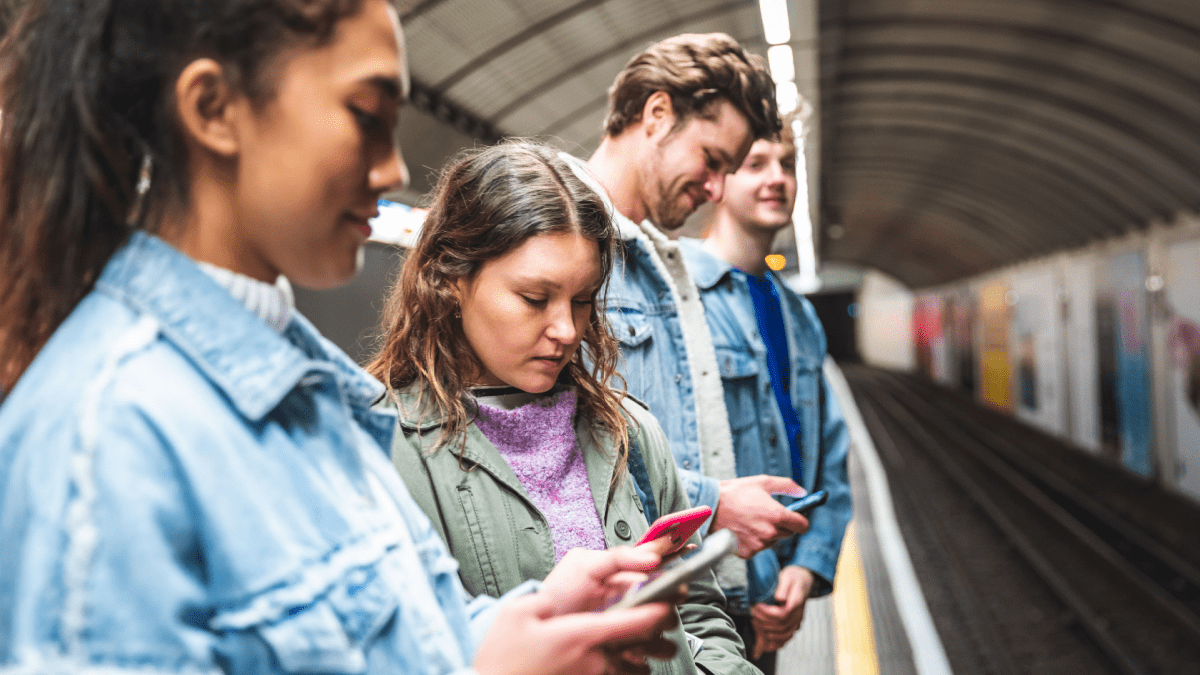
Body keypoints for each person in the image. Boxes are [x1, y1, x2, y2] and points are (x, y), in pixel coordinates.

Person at [0, 1, 679, 673]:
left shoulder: (316, 393)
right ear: (213, 109)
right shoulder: (107, 432)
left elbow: (397, 634)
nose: (392, 171)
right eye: (366, 117)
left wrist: (511, 623)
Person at [369, 140, 754, 675]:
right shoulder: (381, 447)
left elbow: (701, 614)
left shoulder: (628, 431)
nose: (567, 330)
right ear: (451, 279)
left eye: (582, 299)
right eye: (534, 298)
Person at [558, 33, 808, 597]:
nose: (717, 188)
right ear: (657, 113)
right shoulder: (554, 240)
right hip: (616, 601)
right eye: (711, 160)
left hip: (694, 598)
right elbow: (545, 446)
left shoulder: (668, 263)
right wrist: (713, 504)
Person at [678, 114, 851, 674]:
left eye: (786, 164)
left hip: (772, 599)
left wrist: (804, 569)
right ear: (717, 180)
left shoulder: (799, 316)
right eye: (755, 164)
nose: (776, 178)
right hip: (703, 602)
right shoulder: (679, 304)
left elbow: (830, 460)